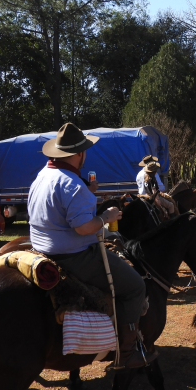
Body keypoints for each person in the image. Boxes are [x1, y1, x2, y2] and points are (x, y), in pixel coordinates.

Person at [27, 123, 153, 369]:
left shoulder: (42, 176)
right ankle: (127, 353)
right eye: (84, 150)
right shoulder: (73, 185)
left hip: (40, 249)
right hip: (74, 256)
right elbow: (83, 228)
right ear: (78, 154)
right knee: (136, 286)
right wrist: (106, 217)